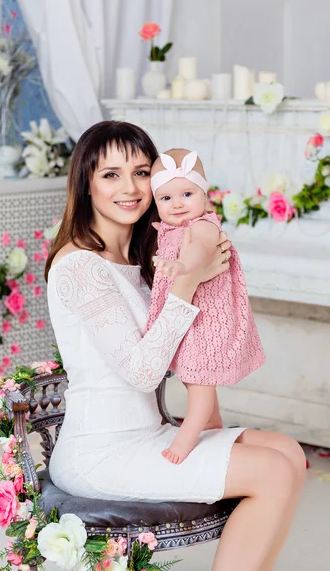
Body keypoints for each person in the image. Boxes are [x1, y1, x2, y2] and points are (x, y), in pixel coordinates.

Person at [45, 120, 306, 571]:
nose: (130, 188)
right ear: (85, 184)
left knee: (289, 452)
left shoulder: (143, 258)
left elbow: (189, 342)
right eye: (110, 174)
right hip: (100, 452)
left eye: (142, 172)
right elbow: (143, 372)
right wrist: (188, 280)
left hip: (150, 432)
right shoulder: (78, 266)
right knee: (272, 470)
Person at [146, 148, 266, 465]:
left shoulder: (203, 224)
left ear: (204, 195)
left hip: (206, 322)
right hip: (187, 317)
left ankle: (187, 436)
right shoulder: (168, 229)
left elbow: (200, 249)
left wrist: (184, 266)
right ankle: (213, 423)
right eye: (167, 198)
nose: (178, 204)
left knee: (199, 381)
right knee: (190, 376)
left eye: (187, 193)